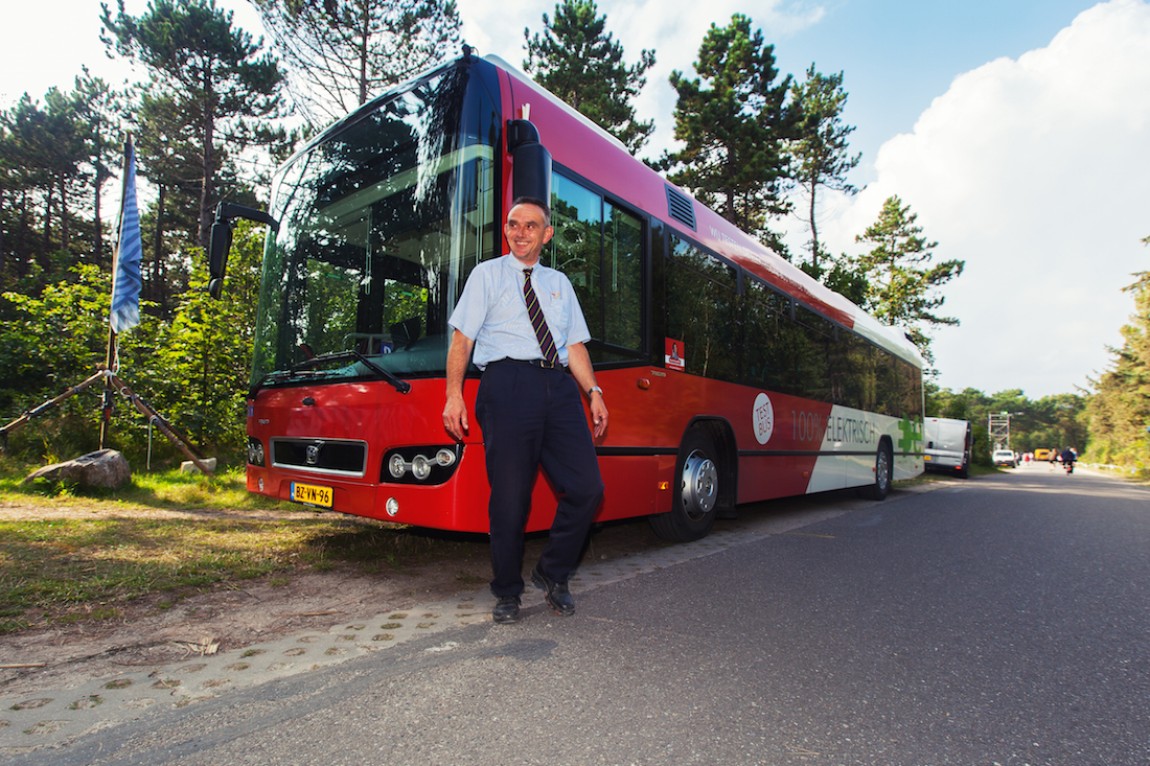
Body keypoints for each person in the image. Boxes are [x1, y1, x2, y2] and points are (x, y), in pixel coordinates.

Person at [443, 197, 608, 624]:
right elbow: (462, 339)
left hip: (558, 385)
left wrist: (593, 391)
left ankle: (552, 572)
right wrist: (454, 394)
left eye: (530, 226)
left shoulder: (560, 283)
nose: (520, 232)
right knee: (511, 498)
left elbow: (574, 345)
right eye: (513, 224)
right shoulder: (487, 275)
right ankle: (507, 591)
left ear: (546, 234)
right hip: (507, 385)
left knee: (588, 488)